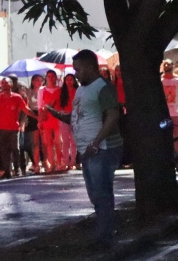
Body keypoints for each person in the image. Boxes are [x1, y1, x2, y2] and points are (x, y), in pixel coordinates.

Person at [48, 50, 123, 247]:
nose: (76, 74)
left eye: (78, 69)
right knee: (96, 194)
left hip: (102, 149)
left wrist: (96, 142)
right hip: (87, 150)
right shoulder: (81, 90)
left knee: (101, 193)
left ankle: (105, 237)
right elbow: (78, 116)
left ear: (90, 67)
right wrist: (59, 115)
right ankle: (104, 233)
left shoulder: (103, 87)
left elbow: (112, 115)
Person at [0, 78, 35, 179]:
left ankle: (17, 169)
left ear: (11, 84)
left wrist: (37, 117)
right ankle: (7, 171)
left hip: (14, 128)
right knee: (4, 150)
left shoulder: (17, 97)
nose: (5, 85)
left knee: (16, 149)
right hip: (1, 128)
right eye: (3, 83)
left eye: (7, 83)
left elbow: (25, 109)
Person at [38, 70, 64, 172]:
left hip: (58, 117)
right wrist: (40, 120)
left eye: (53, 76)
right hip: (47, 117)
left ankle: (59, 162)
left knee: (58, 141)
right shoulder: (42, 90)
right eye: (49, 76)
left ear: (56, 78)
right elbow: (40, 105)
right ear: (46, 77)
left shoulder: (60, 89)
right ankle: (51, 163)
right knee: (48, 142)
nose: (51, 78)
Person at [20, 74, 44, 174]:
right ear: (33, 81)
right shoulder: (28, 92)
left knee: (45, 141)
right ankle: (36, 163)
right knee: (35, 142)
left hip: (43, 114)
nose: (40, 82)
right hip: (32, 115)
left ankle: (46, 162)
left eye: (41, 80)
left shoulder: (44, 90)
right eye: (37, 80)